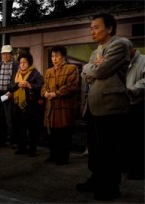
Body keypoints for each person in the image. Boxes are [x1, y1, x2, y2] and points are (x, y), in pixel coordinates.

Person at [76, 13, 130, 201]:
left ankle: (110, 187)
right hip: (93, 105)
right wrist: (92, 68)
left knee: (109, 149)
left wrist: (89, 68)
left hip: (111, 106)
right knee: (95, 148)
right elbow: (90, 76)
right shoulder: (95, 51)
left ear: (109, 28)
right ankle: (96, 179)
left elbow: (101, 70)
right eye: (91, 28)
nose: (92, 31)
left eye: (96, 27)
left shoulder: (119, 44)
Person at [41, 45, 79, 165]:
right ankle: (53, 155)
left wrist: (56, 93)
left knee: (64, 134)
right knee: (52, 134)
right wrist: (45, 93)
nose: (54, 59)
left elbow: (71, 86)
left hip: (64, 107)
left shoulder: (71, 68)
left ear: (63, 57)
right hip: (51, 107)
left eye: (57, 56)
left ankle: (63, 158)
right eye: (52, 56)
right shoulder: (48, 71)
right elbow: (43, 86)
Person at [9, 52, 44, 156]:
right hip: (17, 105)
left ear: (29, 63)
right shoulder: (16, 73)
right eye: (21, 62)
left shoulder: (35, 73)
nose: (22, 64)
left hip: (31, 105)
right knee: (20, 128)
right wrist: (17, 84)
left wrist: (29, 85)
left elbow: (41, 86)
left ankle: (32, 150)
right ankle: (22, 148)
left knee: (32, 129)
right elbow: (10, 87)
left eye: (25, 62)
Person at [124, 40, 145, 180]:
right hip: (124, 105)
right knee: (126, 139)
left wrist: (131, 90)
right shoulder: (122, 62)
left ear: (132, 48)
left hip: (139, 104)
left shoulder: (143, 60)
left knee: (138, 140)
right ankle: (128, 166)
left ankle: (139, 170)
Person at [0, 45, 19, 147]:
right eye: (3, 54)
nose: (5, 56)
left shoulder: (16, 65)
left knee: (10, 119)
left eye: (7, 54)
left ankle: (13, 141)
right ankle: (0, 141)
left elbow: (16, 81)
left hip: (10, 94)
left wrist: (12, 92)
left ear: (11, 55)